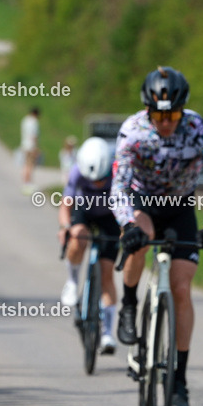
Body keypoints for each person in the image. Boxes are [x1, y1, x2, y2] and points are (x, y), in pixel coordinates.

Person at [111, 66, 203, 406]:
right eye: (160, 115)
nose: (166, 122)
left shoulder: (199, 129)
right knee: (141, 239)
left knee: (181, 288)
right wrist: (127, 222)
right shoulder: (132, 131)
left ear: (183, 110)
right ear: (148, 110)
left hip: (179, 206)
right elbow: (117, 188)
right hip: (143, 202)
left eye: (173, 114)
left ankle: (178, 379)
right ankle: (130, 304)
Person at [58, 137, 120, 354]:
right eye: (91, 181)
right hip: (84, 212)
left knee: (107, 274)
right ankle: (73, 281)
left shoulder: (118, 171)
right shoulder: (76, 172)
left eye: (101, 181)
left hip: (110, 216)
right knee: (77, 237)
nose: (96, 185)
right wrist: (66, 227)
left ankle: (107, 334)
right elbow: (66, 205)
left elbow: (128, 203)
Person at [20, 107, 40, 194]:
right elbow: (34, 135)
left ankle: (25, 182)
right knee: (30, 165)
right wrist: (36, 147)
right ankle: (28, 183)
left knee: (26, 164)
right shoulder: (34, 122)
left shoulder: (25, 120)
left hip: (24, 144)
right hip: (31, 146)